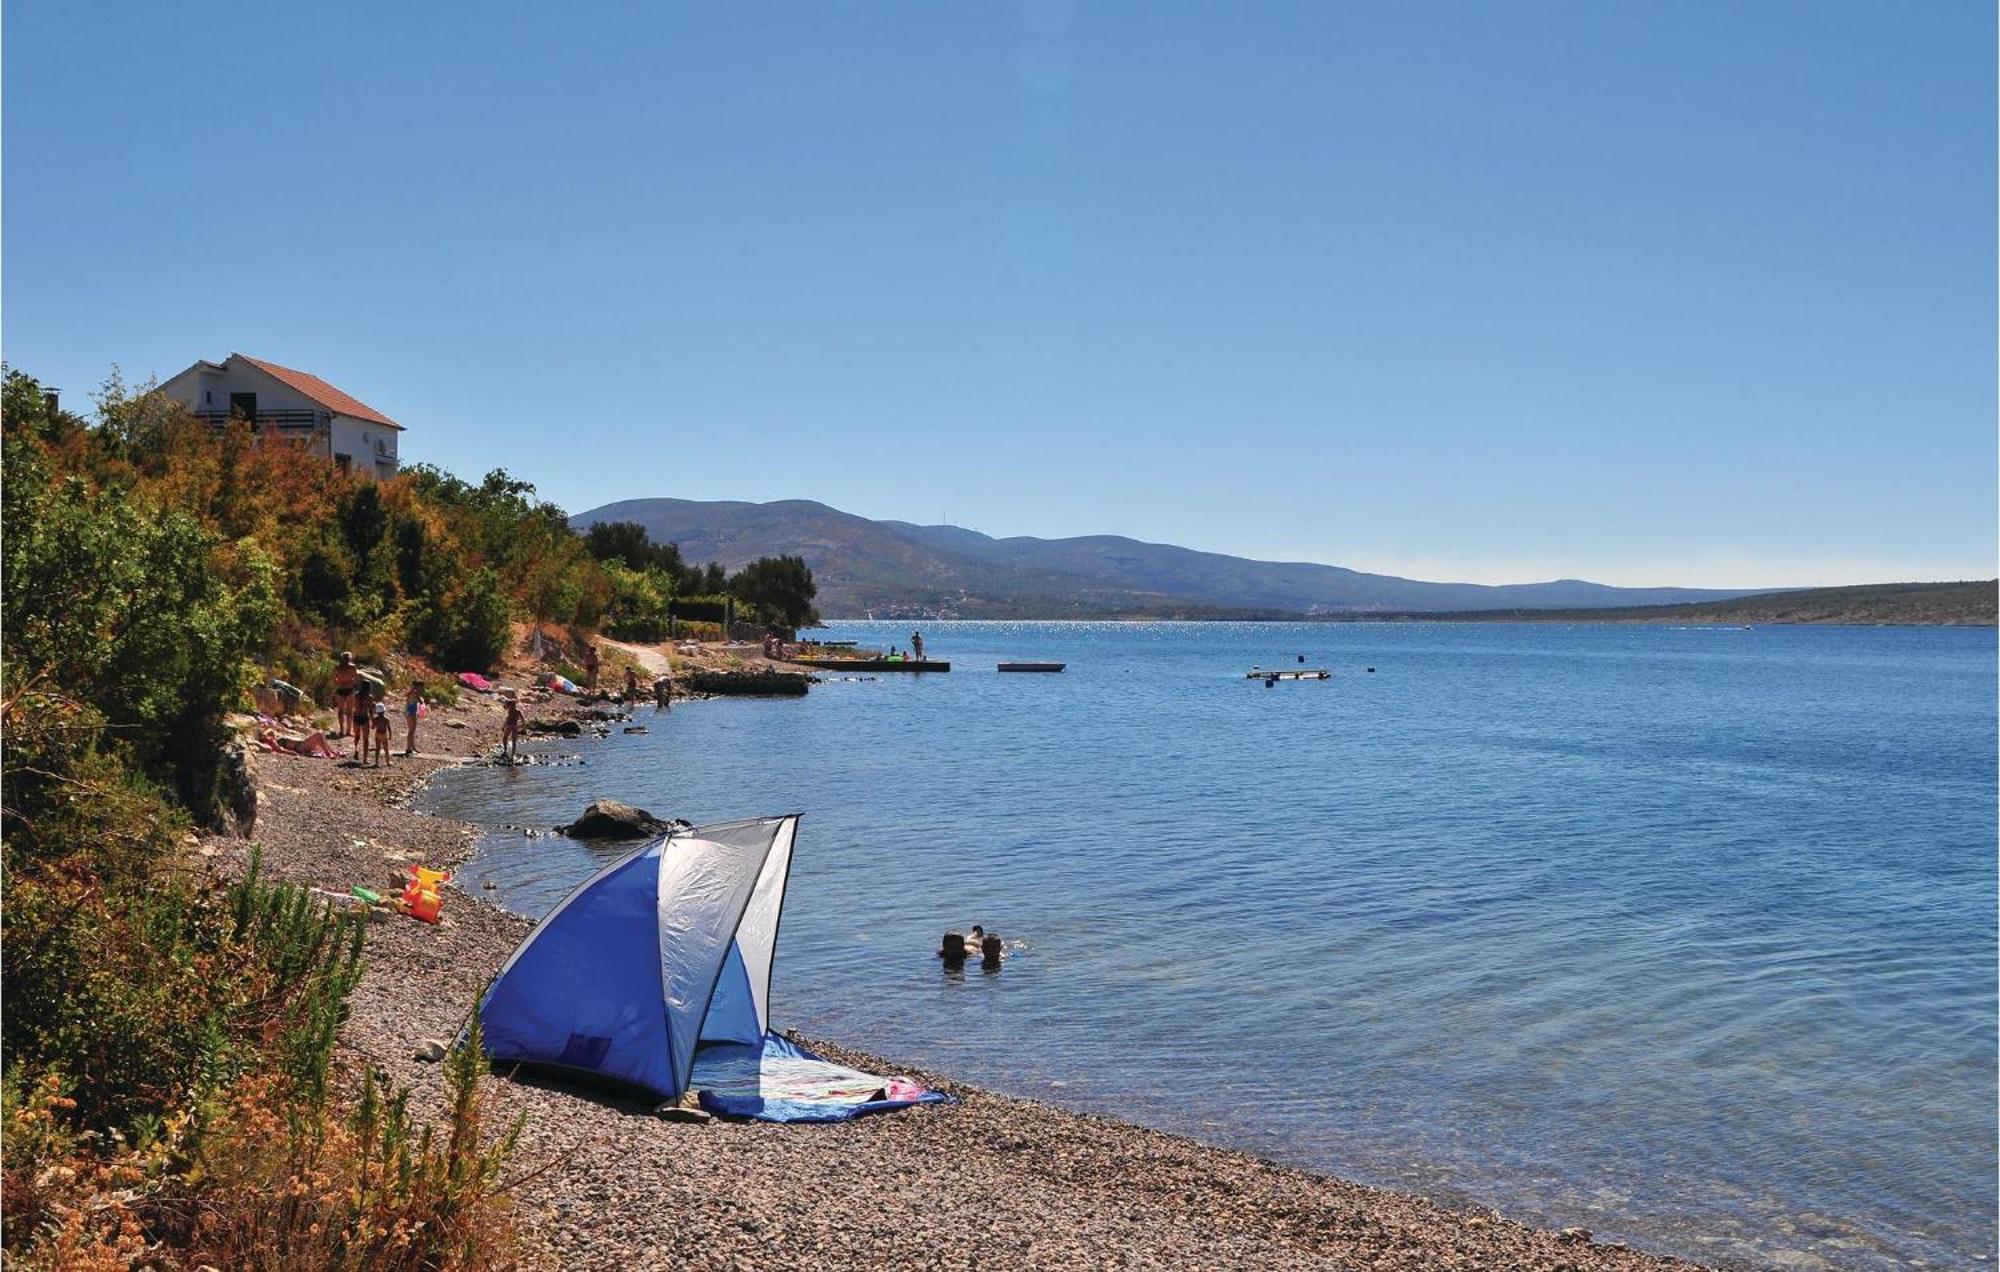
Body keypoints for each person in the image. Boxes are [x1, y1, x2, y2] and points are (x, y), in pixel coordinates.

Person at [258, 727, 338, 758]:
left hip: (301, 744)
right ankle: (328, 753)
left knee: (321, 732)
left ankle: (331, 751)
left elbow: (271, 730)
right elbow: (281, 750)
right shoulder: (273, 742)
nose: (268, 736)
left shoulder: (274, 738)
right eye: (265, 736)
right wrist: (293, 753)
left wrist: (265, 733)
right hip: (299, 747)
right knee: (318, 734)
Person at [332, 651, 359, 737]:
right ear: (349, 658)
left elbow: (333, 679)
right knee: (349, 711)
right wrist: (350, 682)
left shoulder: (337, 668)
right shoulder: (352, 667)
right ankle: (348, 731)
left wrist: (340, 683)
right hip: (349, 689)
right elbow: (355, 678)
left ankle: (341, 730)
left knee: (341, 711)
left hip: (340, 689)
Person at [350, 680, 373, 760]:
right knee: (365, 739)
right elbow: (370, 711)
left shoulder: (356, 695)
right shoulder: (369, 697)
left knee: (357, 736)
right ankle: (365, 758)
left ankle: (356, 750)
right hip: (364, 717)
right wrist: (372, 721)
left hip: (356, 717)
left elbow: (354, 705)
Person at [501, 694, 524, 763]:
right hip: (515, 726)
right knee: (514, 742)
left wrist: (503, 726)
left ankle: (505, 751)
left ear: (510, 706)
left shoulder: (510, 711)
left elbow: (508, 719)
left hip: (509, 726)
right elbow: (523, 719)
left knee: (505, 738)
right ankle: (512, 756)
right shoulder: (518, 711)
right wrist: (524, 727)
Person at [403, 681, 424, 757]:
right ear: (419, 686)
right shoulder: (415, 692)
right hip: (412, 712)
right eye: (421, 687)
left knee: (411, 730)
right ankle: (409, 747)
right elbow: (421, 702)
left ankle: (413, 747)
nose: (422, 689)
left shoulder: (411, 691)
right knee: (412, 730)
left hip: (407, 711)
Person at [371, 701, 393, 766]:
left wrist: (372, 721)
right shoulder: (386, 719)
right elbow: (389, 728)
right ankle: (388, 762)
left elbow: (372, 727)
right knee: (386, 749)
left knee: (377, 749)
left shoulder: (375, 719)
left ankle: (376, 763)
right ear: (384, 711)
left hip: (378, 734)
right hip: (384, 734)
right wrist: (390, 736)